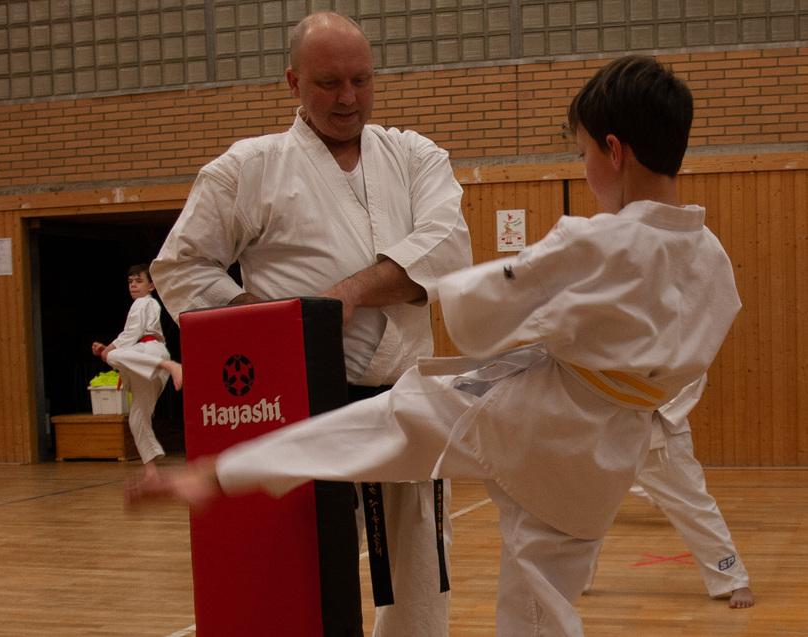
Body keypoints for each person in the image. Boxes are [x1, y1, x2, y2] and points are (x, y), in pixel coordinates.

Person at [130, 54, 743, 636]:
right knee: (540, 602)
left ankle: (223, 473)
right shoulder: (712, 259)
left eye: (582, 152)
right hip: (609, 450)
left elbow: (482, 319)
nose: (584, 165)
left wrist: (454, 287)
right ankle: (226, 474)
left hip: (538, 415)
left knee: (389, 421)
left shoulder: (594, 243)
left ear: (613, 150)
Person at [149, 11, 472, 637]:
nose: (348, 98)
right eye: (328, 82)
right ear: (293, 82)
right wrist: (275, 326)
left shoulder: (414, 155)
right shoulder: (248, 167)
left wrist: (346, 294)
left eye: (361, 80)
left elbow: (447, 248)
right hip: (304, 400)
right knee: (307, 571)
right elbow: (181, 266)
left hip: (407, 396)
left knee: (423, 572)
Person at [596, 375, 754, 608]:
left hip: (658, 430)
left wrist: (651, 410)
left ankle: (732, 578)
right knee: (584, 505)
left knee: (692, 506)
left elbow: (693, 371)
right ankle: (571, 580)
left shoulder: (681, 339)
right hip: (607, 428)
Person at [92, 264, 182, 479]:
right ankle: (151, 470)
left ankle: (171, 366)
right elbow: (130, 337)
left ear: (151, 285)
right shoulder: (148, 304)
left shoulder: (143, 302)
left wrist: (108, 350)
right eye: (130, 281)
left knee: (113, 357)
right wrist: (107, 349)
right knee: (137, 417)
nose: (133, 285)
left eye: (138, 281)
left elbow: (132, 332)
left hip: (151, 353)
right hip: (147, 361)